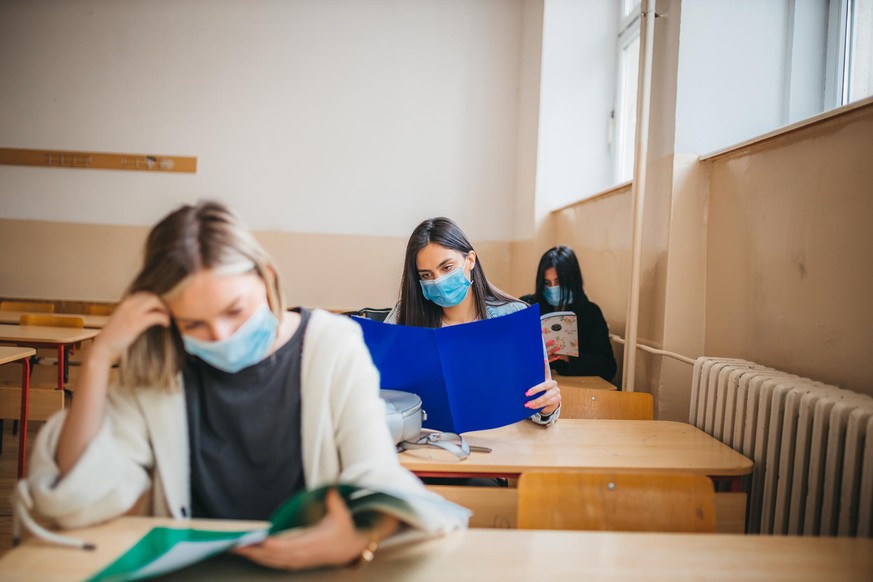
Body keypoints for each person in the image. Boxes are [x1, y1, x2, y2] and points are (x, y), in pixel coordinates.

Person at [19, 201, 467, 571]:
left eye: (235, 310)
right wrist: (98, 359)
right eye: (193, 323)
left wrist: (359, 535)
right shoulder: (164, 366)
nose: (220, 336)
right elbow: (75, 497)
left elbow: (377, 475)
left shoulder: (332, 346)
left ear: (267, 277)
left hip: (312, 570)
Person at [385, 217, 561, 425]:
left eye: (447, 267)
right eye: (426, 274)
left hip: (500, 445)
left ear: (470, 260)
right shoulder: (403, 316)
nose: (438, 281)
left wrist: (549, 407)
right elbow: (382, 394)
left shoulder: (514, 317)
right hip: (428, 442)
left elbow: (540, 410)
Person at [523, 245, 617, 382]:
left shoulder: (590, 313)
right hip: (535, 384)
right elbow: (511, 354)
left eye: (558, 282)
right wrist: (537, 357)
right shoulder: (527, 307)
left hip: (579, 388)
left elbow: (608, 367)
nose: (552, 288)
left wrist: (567, 357)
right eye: (547, 283)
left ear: (572, 281)